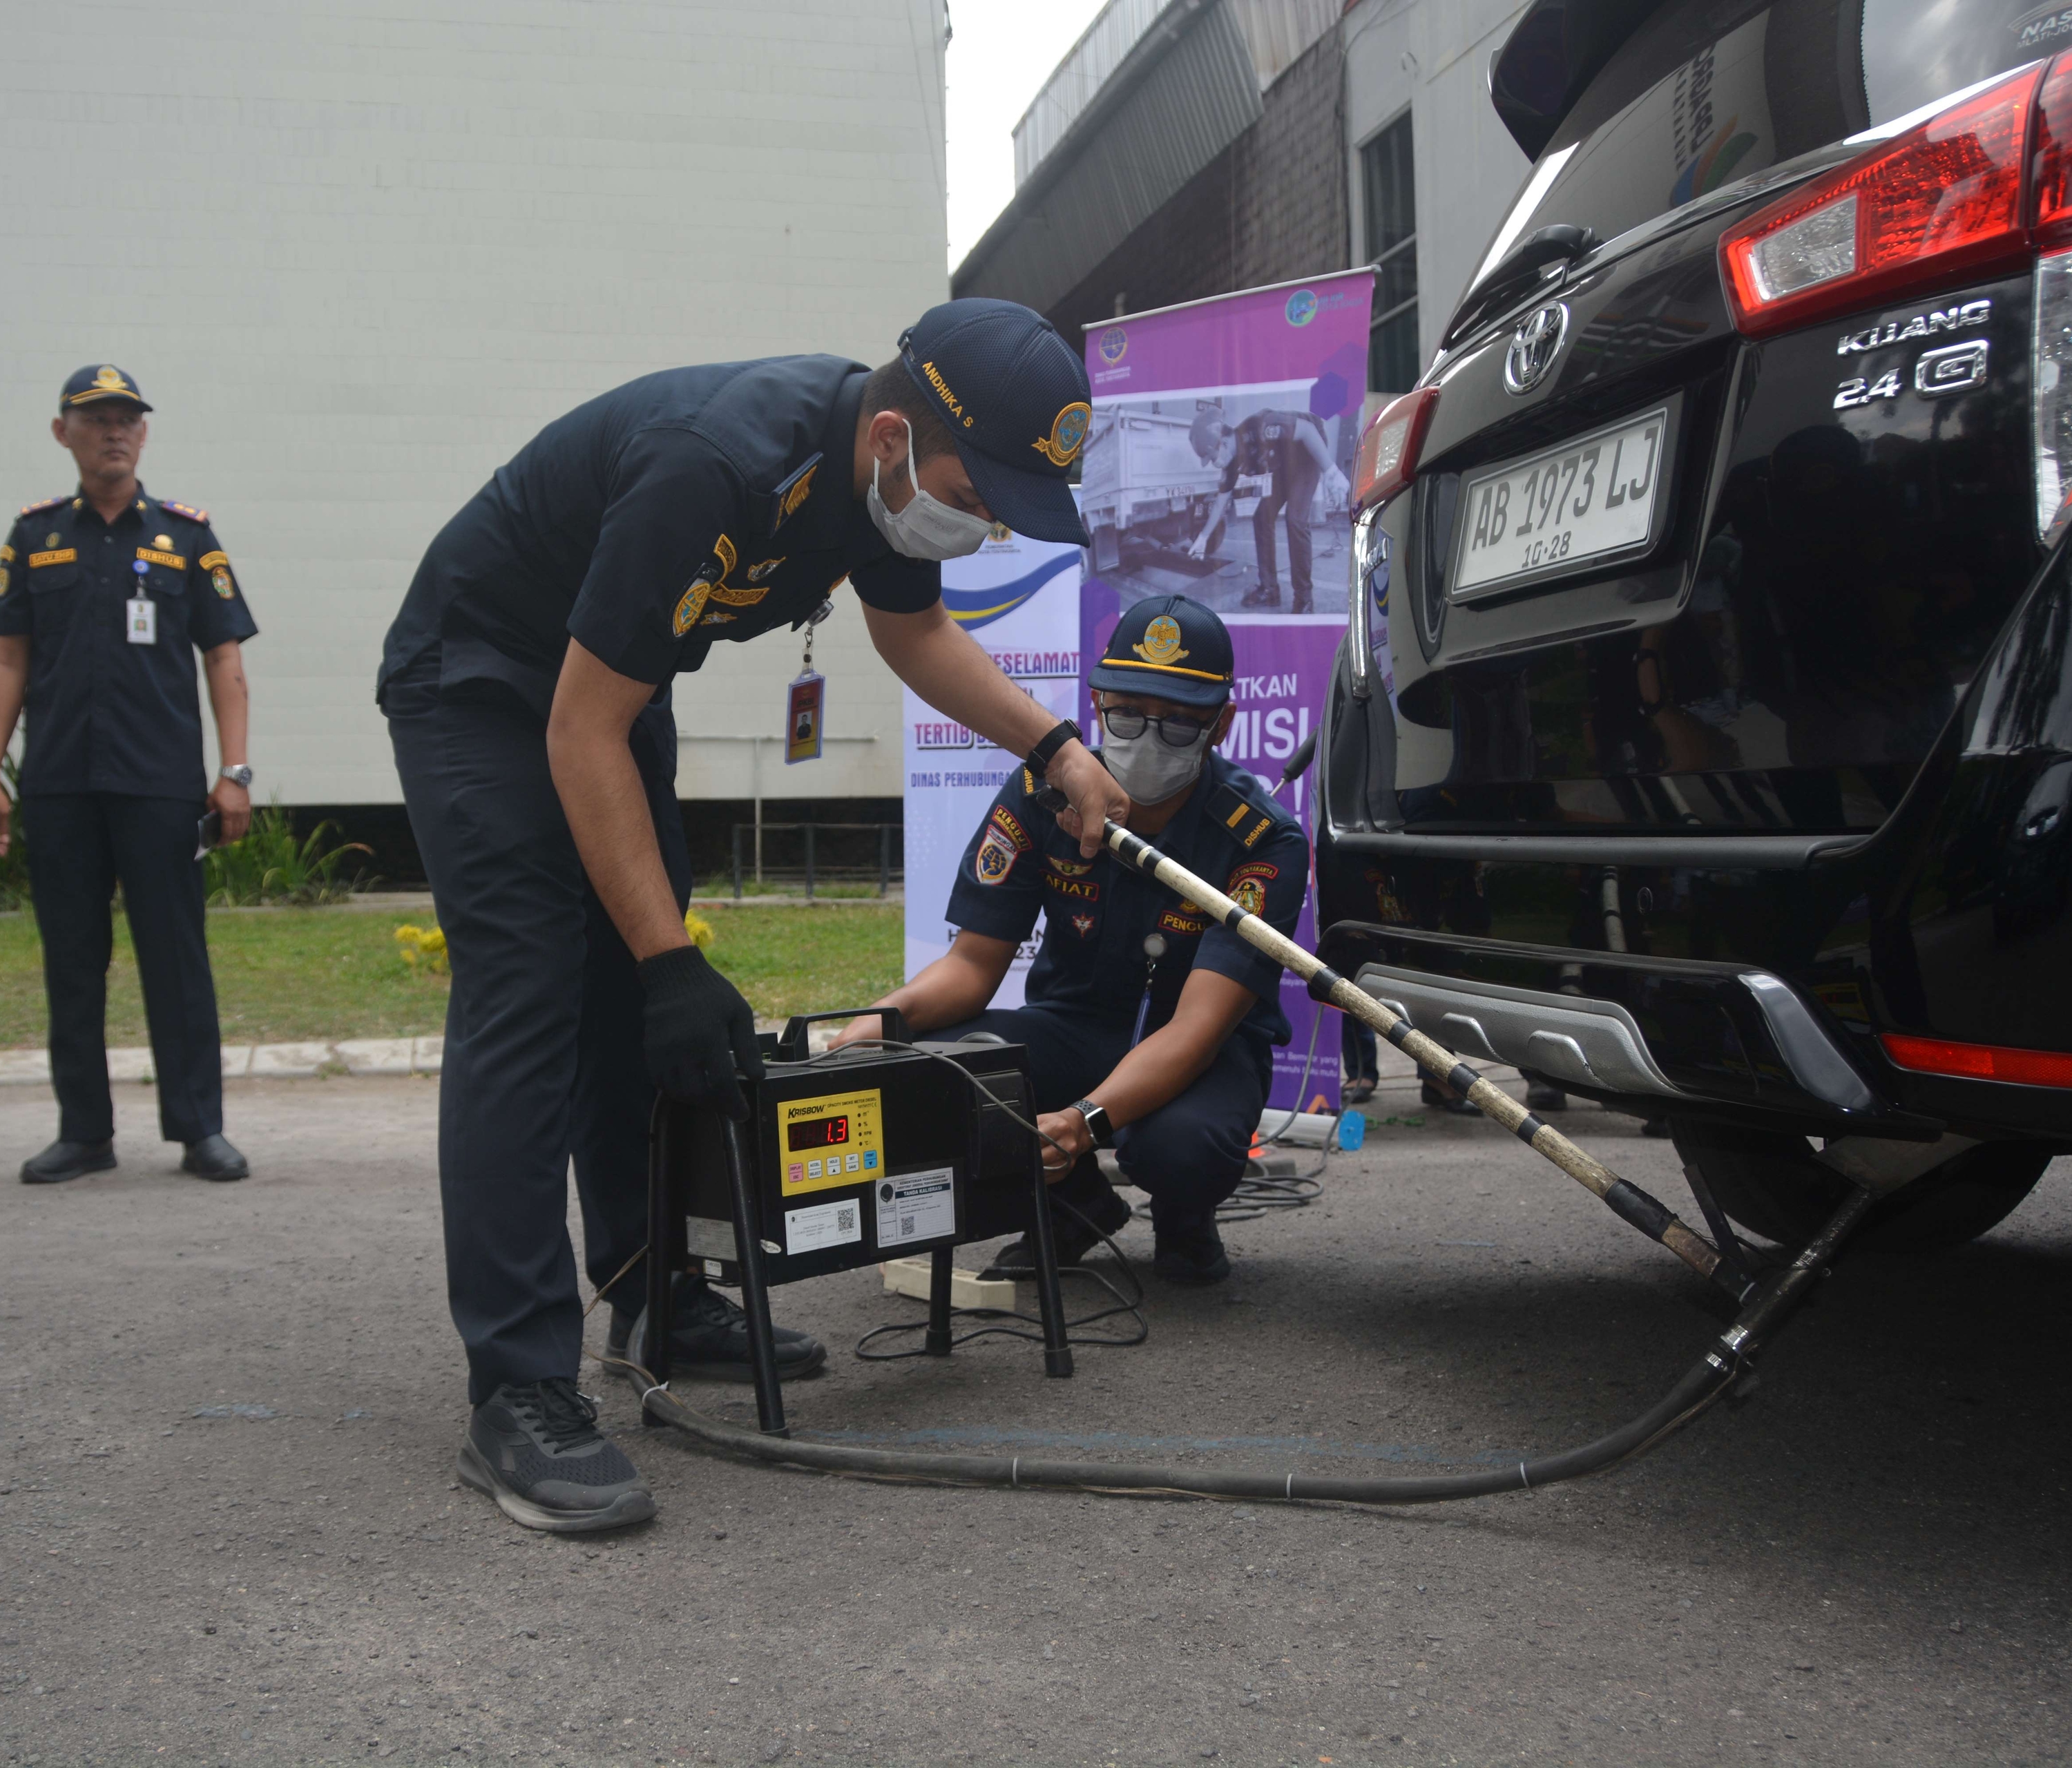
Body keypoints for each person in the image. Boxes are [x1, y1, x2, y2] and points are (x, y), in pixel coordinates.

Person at [378, 298, 1133, 1533]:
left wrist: (1055, 748)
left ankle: (652, 1290)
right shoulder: (719, 463)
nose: (986, 519)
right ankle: (516, 1389)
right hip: (484, 677)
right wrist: (674, 960)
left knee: (639, 988)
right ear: (892, 433)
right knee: (533, 994)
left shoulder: (881, 479)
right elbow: (577, 729)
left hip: (612, 685)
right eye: (978, 487)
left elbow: (918, 631)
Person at [832, 595, 1308, 1285]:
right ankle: (1074, 1205)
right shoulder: (1038, 795)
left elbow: (1200, 1026)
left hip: (1197, 1048)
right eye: (1126, 714)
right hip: (1074, 1026)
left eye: (1180, 723)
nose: (1149, 738)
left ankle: (1184, 1217)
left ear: (1223, 724)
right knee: (934, 1075)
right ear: (1096, 702)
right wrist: (875, 1027)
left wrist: (1084, 1122)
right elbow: (971, 965)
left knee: (1180, 1148)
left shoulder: (1262, 840)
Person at [0, 365, 255, 1186]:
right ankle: (84, 1130)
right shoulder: (33, 537)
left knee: (176, 960)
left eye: (127, 418)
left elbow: (225, 658)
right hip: (60, 783)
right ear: (64, 432)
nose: (114, 432)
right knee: (71, 959)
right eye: (96, 419)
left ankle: (200, 1129)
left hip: (160, 785)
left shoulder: (187, 537)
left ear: (144, 432)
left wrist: (233, 772)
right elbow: (7, 659)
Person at [1186, 406, 1350, 611]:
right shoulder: (1231, 460)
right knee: (1262, 517)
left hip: (1308, 449)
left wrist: (1331, 472)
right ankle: (1269, 589)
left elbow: (1308, 430)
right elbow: (1221, 501)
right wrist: (1203, 538)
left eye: (1212, 458)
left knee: (1295, 519)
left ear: (1224, 442)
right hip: (1285, 464)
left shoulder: (1261, 426)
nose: (1213, 463)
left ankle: (1304, 598)